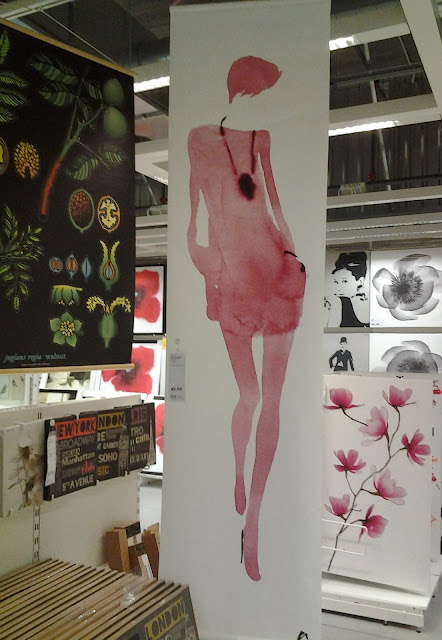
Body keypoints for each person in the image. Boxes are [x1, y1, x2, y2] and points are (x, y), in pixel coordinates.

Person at [187, 55, 305, 581]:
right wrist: (210, 276)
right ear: (242, 93)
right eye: (263, 95)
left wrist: (294, 259)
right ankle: (238, 471)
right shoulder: (199, 139)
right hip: (232, 275)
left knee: (272, 398)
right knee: (250, 395)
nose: (268, 106)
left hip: (275, 271)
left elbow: (276, 206)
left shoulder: (262, 138)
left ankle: (253, 520)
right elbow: (194, 224)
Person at [325, 251, 369, 327]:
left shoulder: (367, 303)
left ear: (360, 281)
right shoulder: (335, 302)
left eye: (345, 281)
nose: (339, 287)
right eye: (336, 282)